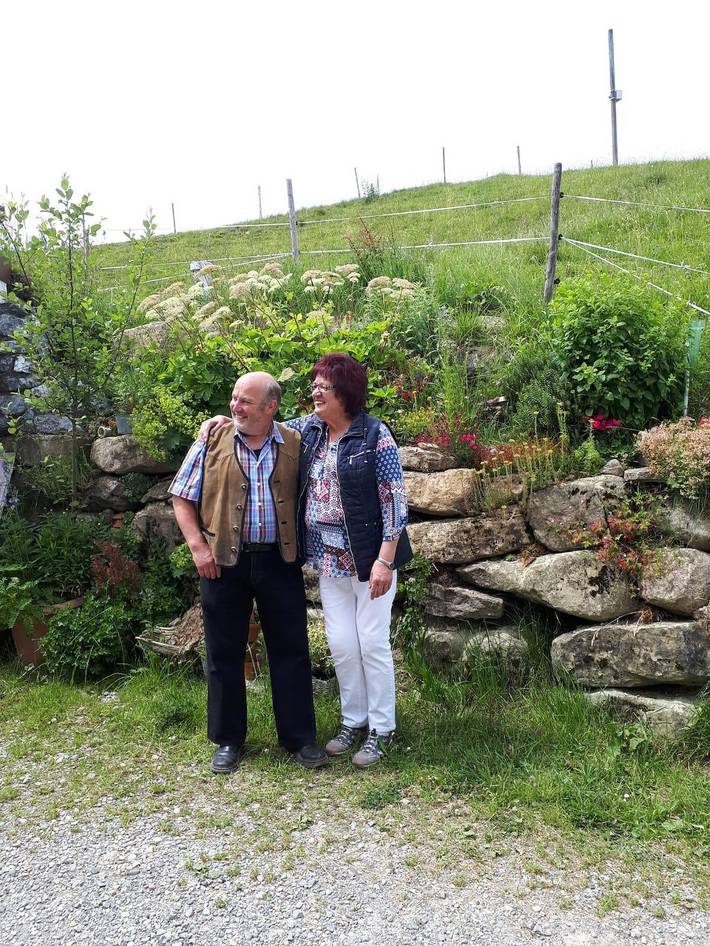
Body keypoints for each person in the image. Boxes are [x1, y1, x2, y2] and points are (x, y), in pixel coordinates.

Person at [201, 353, 412, 768]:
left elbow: (395, 500)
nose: (314, 392)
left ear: (346, 393)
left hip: (371, 560)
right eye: (314, 385)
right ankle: (354, 722)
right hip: (329, 562)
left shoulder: (374, 435)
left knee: (371, 642)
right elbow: (264, 426)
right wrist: (219, 422)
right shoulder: (311, 431)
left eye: (323, 387)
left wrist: (386, 560)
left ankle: (382, 730)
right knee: (342, 645)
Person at [170, 371, 328, 774]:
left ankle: (299, 739)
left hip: (280, 560)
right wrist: (198, 548)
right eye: (234, 398)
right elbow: (181, 496)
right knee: (224, 652)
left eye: (244, 401)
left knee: (291, 651)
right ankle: (227, 740)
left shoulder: (294, 441)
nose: (234, 407)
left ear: (270, 407)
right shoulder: (211, 440)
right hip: (223, 561)